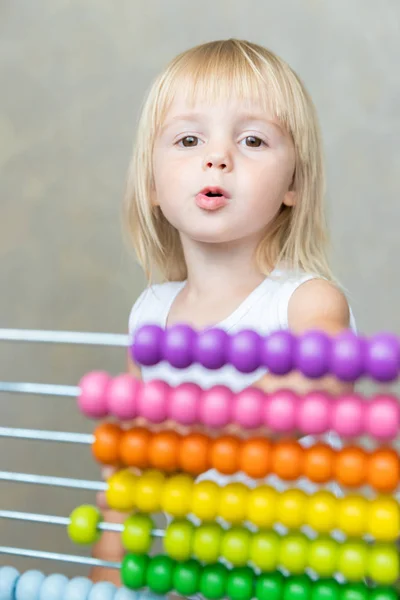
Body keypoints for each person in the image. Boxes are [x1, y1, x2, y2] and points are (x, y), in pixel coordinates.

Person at [91, 38, 356, 587]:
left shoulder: (308, 302)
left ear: (293, 185)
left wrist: (184, 446)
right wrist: (104, 576)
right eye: (189, 139)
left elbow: (318, 383)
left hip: (304, 580)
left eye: (253, 139)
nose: (218, 157)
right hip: (206, 579)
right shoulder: (150, 317)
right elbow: (129, 469)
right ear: (153, 186)